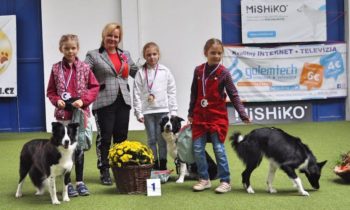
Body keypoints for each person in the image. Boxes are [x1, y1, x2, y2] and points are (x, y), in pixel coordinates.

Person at [187, 38, 250, 193]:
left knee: (218, 149)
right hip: (200, 116)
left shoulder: (224, 73)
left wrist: (242, 114)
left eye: (219, 53)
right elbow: (194, 94)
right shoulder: (198, 71)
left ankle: (225, 181)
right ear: (205, 53)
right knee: (197, 149)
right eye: (212, 53)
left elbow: (233, 95)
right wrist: (190, 113)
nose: (216, 56)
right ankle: (204, 179)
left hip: (217, 117)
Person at [85, 23, 138, 185]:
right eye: (110, 35)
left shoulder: (125, 54)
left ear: (119, 39)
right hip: (103, 101)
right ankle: (104, 170)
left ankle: (120, 169)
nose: (113, 39)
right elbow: (83, 73)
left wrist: (151, 64)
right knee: (105, 137)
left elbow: (137, 73)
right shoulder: (93, 55)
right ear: (104, 36)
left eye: (116, 36)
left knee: (121, 138)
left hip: (124, 100)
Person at [47, 34, 99, 196]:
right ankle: (67, 183)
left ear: (78, 49)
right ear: (60, 49)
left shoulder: (84, 67)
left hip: (80, 114)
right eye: (66, 48)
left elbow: (94, 87)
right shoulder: (56, 68)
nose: (70, 51)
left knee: (79, 148)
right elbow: (51, 91)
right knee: (65, 148)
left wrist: (83, 101)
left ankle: (80, 182)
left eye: (73, 48)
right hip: (63, 115)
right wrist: (57, 101)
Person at [133, 42, 178, 170]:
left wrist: (173, 110)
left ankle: (163, 164)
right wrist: (138, 112)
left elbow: (171, 91)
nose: (152, 57)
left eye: (154, 54)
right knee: (151, 139)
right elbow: (136, 92)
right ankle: (154, 163)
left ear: (158, 55)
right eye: (148, 55)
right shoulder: (141, 73)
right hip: (148, 112)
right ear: (144, 56)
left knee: (162, 139)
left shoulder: (165, 71)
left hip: (163, 111)